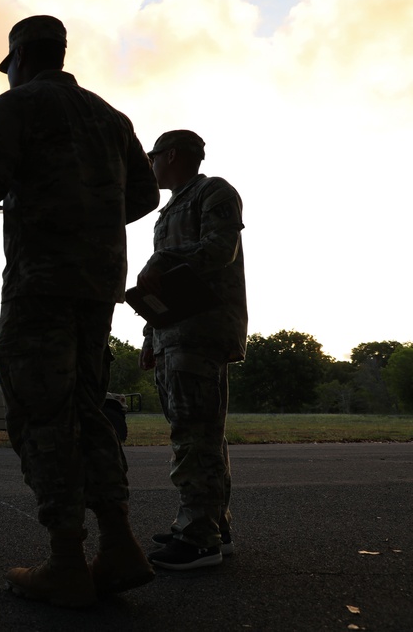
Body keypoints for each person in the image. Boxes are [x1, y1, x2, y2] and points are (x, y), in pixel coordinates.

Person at [0, 15, 160, 608]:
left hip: (40, 286)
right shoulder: (111, 117)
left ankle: (65, 559)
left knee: (42, 414)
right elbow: (143, 195)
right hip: (96, 288)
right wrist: (92, 217)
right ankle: (118, 544)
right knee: (87, 409)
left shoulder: (17, 108)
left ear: (21, 59)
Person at [136, 130, 247, 571]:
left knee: (193, 436)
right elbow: (168, 288)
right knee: (202, 434)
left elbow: (220, 251)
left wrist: (161, 262)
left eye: (153, 156)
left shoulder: (213, 191)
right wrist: (151, 333)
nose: (150, 163)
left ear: (174, 154)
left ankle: (198, 538)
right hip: (175, 334)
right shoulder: (169, 210)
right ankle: (212, 527)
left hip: (201, 332)